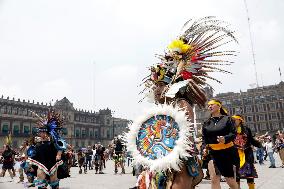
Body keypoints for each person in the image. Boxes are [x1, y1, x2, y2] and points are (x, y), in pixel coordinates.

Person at [202, 99, 239, 189]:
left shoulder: (227, 119)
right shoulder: (206, 123)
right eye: (208, 105)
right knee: (214, 179)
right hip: (212, 153)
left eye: (212, 104)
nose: (209, 106)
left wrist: (225, 138)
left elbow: (233, 134)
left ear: (219, 106)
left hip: (227, 153)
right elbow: (204, 138)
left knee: (230, 181)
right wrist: (204, 147)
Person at [26, 111, 67, 189]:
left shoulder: (53, 140)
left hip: (52, 162)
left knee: (53, 181)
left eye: (41, 132)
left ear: (45, 132)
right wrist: (30, 166)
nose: (39, 134)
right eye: (39, 132)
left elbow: (61, 146)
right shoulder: (38, 142)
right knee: (40, 180)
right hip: (41, 163)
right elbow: (33, 154)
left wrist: (59, 154)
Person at [232, 114, 262, 189]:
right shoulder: (230, 130)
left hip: (247, 154)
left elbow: (251, 140)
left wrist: (259, 144)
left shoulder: (246, 129)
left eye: (234, 120)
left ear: (240, 120)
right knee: (236, 176)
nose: (233, 121)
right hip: (235, 155)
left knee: (249, 175)